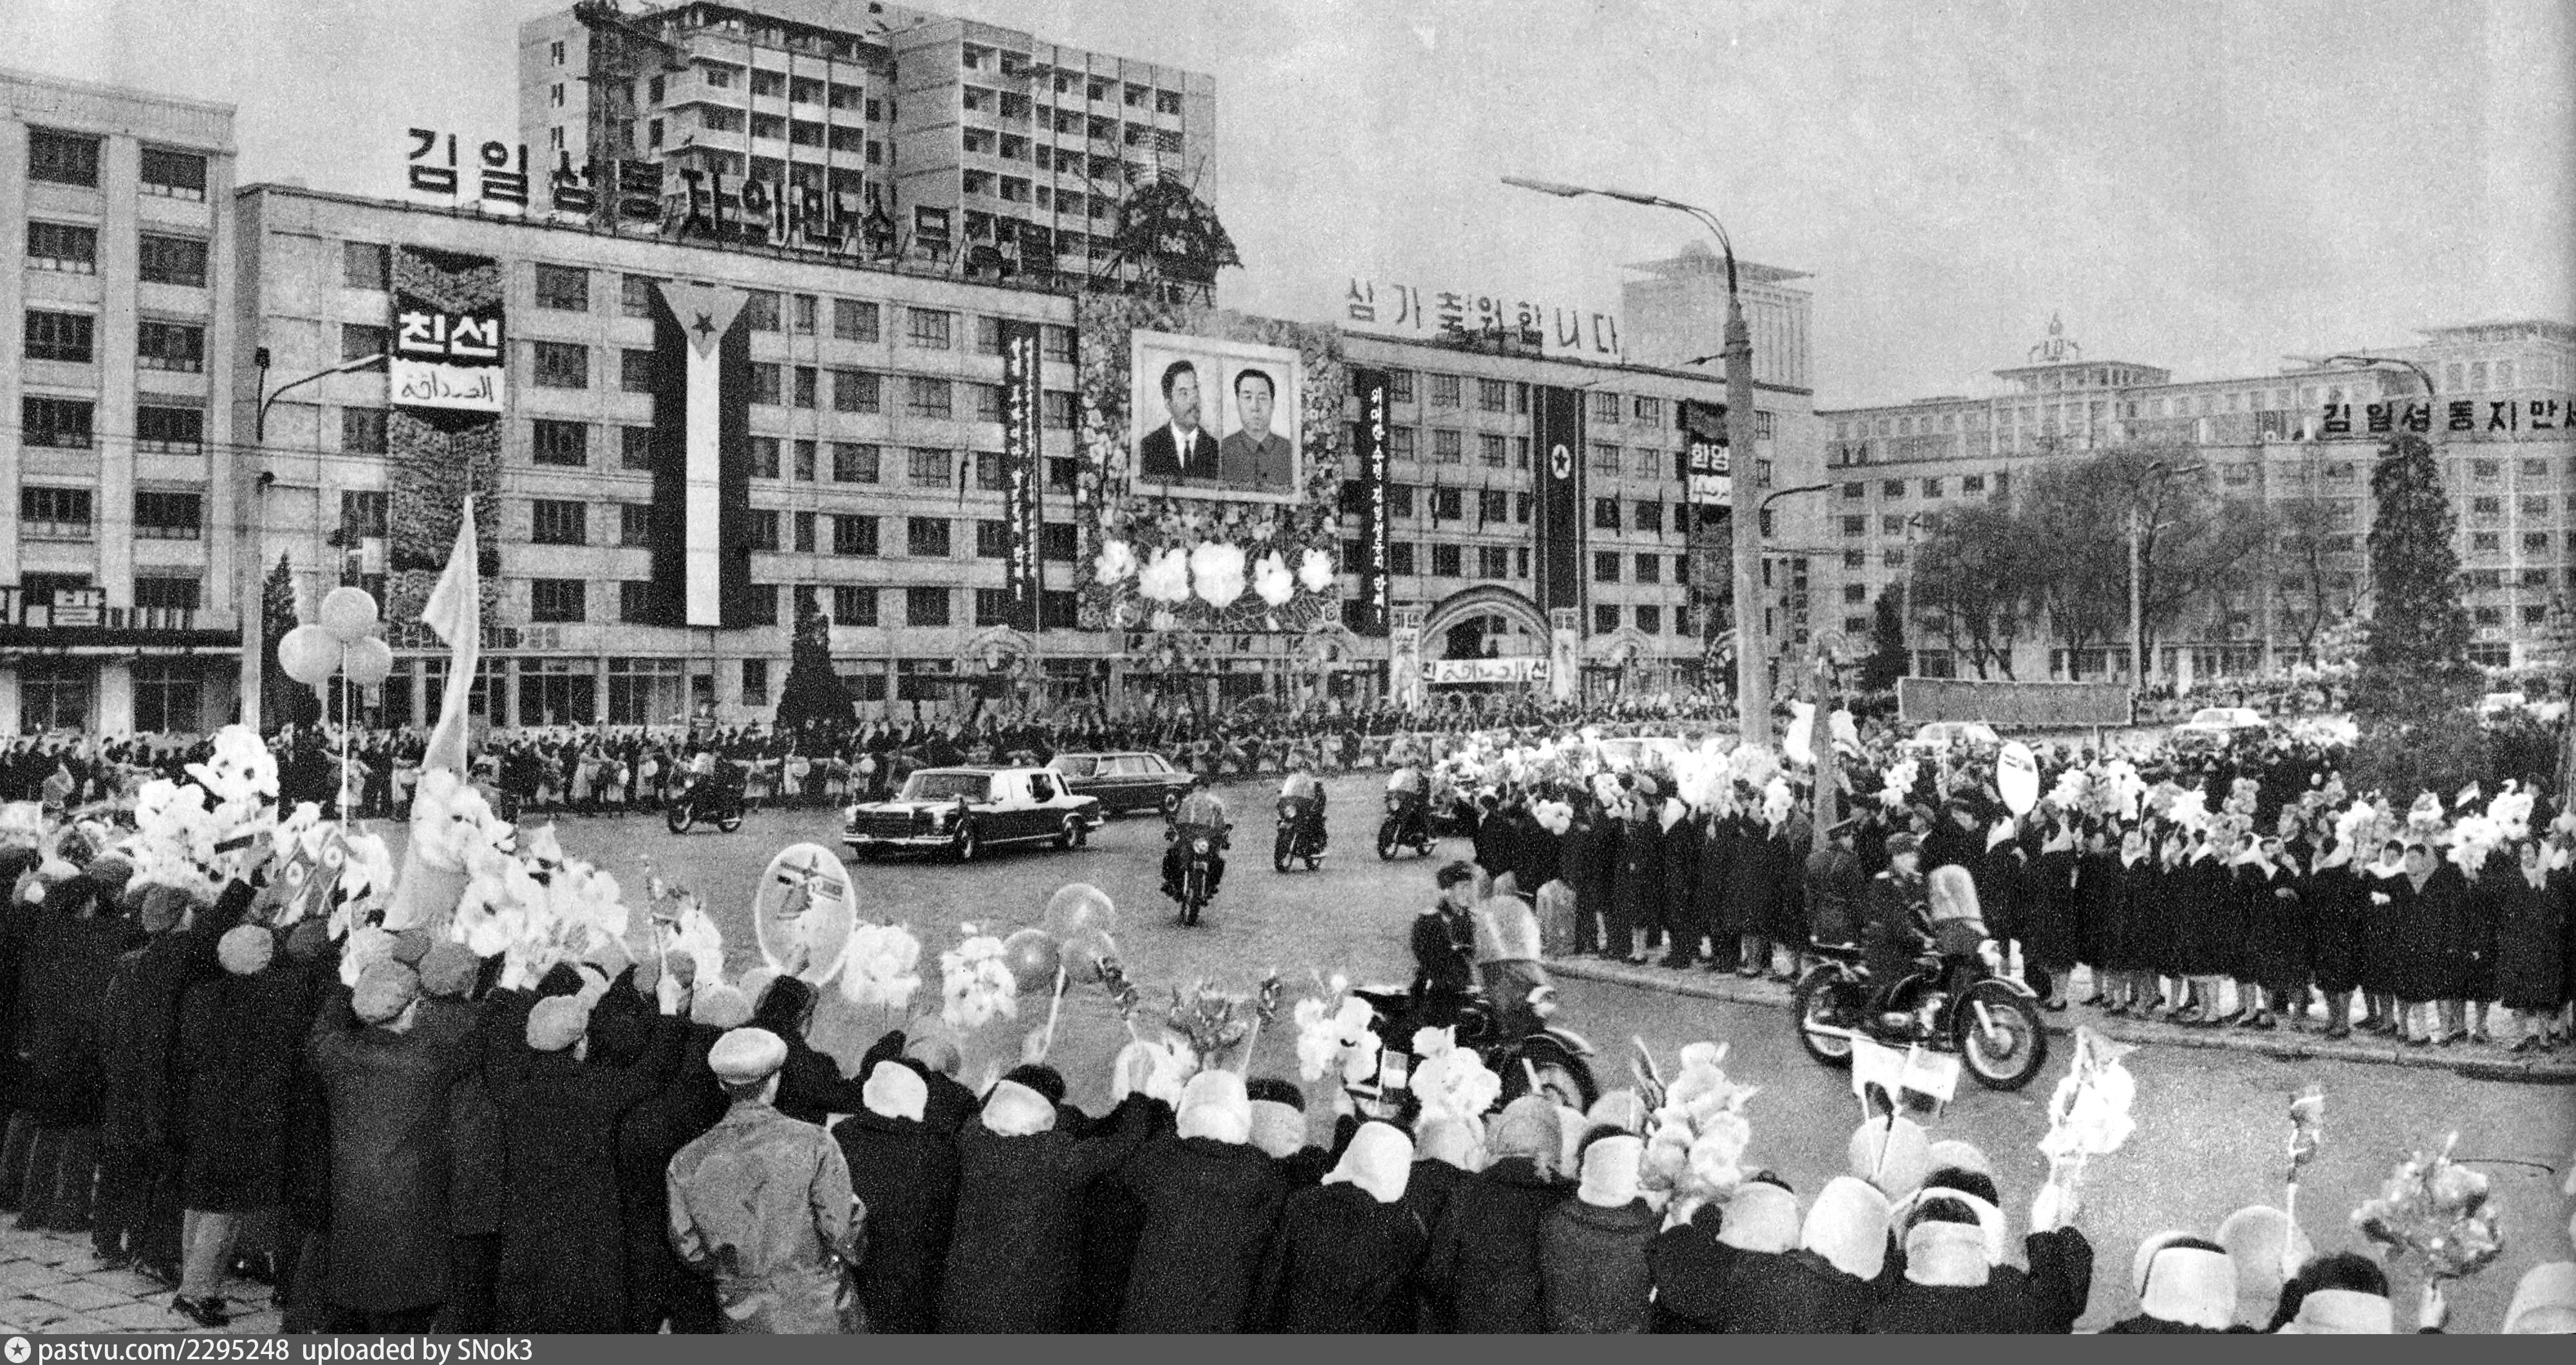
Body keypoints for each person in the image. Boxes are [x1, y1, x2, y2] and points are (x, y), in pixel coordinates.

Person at [664, 1027, 866, 1334]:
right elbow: (842, 1233)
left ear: (722, 1084)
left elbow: (691, 1249)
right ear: (774, 1081)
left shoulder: (686, 1161)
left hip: (744, 1317)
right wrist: (857, 1211)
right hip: (819, 1311)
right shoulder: (816, 1143)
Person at [1862, 833, 1931, 1026]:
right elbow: (1895, 920)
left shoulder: (1916, 881)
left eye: (1915, 855)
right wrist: (1921, 938)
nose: (1914, 860)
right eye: (1909, 856)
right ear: (1896, 857)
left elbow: (1923, 913)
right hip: (1887, 944)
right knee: (1889, 980)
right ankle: (1871, 1019)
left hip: (1908, 941)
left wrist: (1936, 932)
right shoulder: (1883, 882)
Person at [1409, 862, 1480, 1031]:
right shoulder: (1430, 921)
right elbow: (1431, 963)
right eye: (1463, 887)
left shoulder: (1470, 918)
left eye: (1470, 887)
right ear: (1448, 890)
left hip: (1465, 989)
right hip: (1437, 993)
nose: (1468, 892)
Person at [1137, 359, 1220, 483]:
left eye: (1195, 391)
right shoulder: (1150, 446)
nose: (1194, 401)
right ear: (1168, 403)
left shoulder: (1215, 448)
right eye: (1184, 394)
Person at [1216, 367, 1294, 492]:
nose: (1255, 407)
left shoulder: (1290, 451)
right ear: (1238, 404)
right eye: (1248, 397)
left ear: (1272, 405)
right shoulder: (1222, 450)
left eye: (1262, 398)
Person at [1162, 775, 1229, 905]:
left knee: (1172, 856)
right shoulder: (1215, 802)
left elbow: (1176, 820)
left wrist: (1173, 830)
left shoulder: (1186, 801)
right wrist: (1224, 837)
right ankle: (1210, 887)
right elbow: (1222, 823)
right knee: (1217, 862)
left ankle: (1171, 884)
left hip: (1193, 837)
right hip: (1205, 839)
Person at [1280, 756, 1327, 856]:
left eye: (1306, 768)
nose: (1304, 770)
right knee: (1284, 818)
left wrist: (1316, 800)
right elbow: (1289, 789)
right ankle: (1283, 846)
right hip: (1296, 805)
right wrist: (1284, 793)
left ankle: (1316, 846)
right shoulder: (1294, 779)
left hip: (1309, 806)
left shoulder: (1314, 781)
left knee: (1314, 821)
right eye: (1302, 767)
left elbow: (1320, 796)